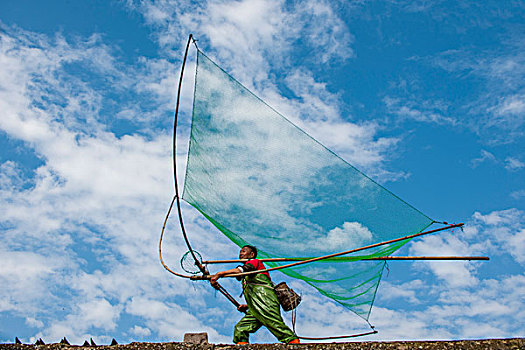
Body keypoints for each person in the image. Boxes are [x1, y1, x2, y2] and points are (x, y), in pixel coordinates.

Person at [210, 245, 300, 345]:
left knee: (273, 322)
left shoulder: (254, 262)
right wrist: (248, 306)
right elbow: (241, 277)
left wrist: (219, 273)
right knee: (241, 328)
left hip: (266, 301)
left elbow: (240, 271)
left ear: (252, 254)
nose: (241, 253)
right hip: (256, 307)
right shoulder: (246, 275)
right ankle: (242, 346)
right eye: (240, 252)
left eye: (244, 251)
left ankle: (293, 342)